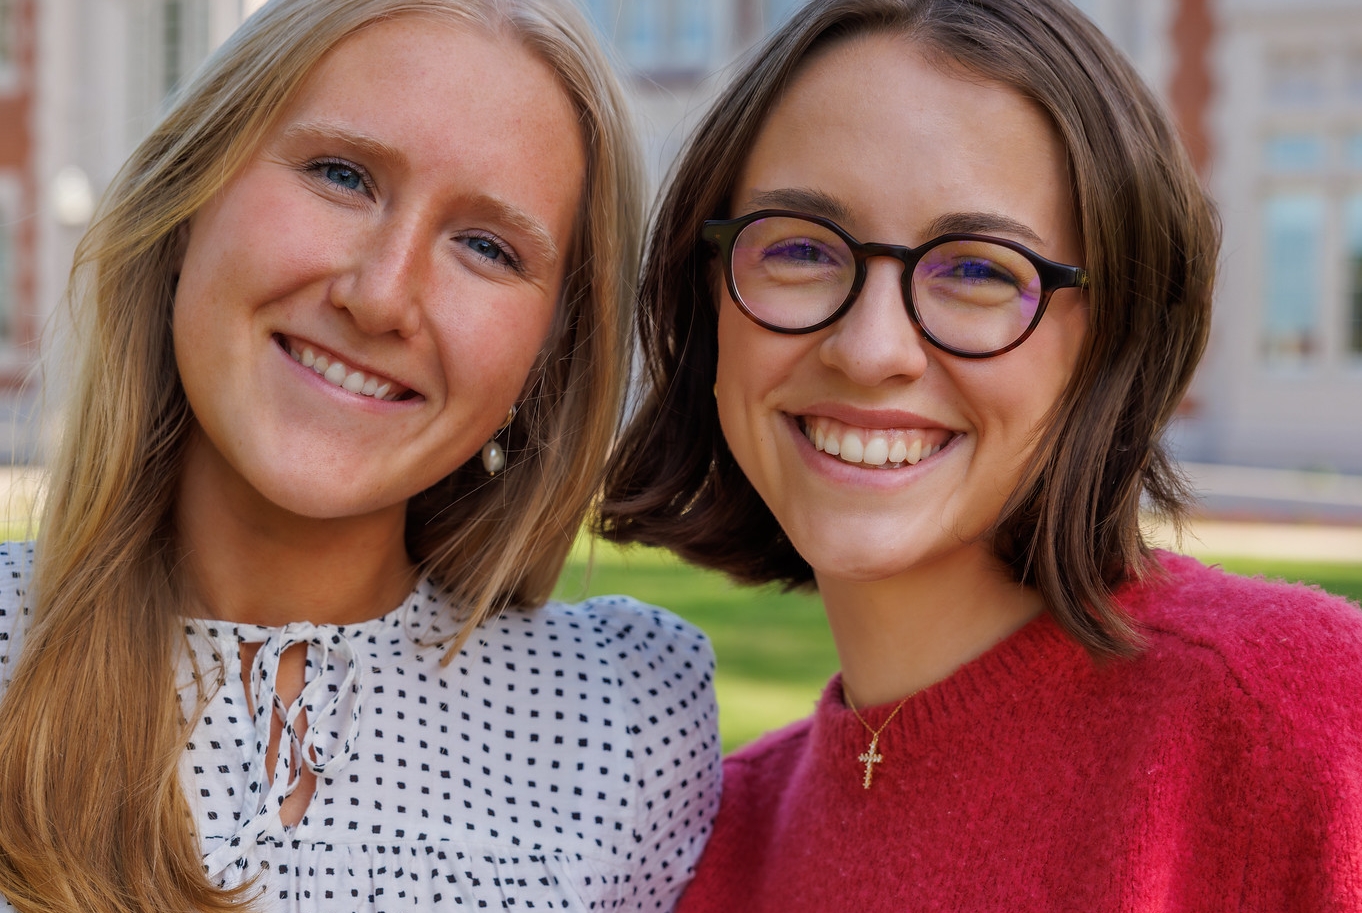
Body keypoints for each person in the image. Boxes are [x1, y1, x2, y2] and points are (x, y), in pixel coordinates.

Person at [599, 0, 1362, 908]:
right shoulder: (703, 852)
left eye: (977, 269)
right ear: (707, 294)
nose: (870, 348)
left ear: (1111, 339)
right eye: (801, 248)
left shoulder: (1299, 723)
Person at [0, 1, 720, 910]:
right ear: (190, 199)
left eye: (486, 247)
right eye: (342, 175)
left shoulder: (626, 720)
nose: (382, 297)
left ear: (550, 353)